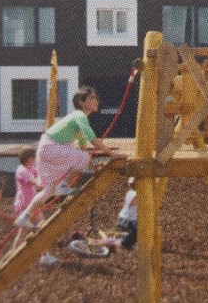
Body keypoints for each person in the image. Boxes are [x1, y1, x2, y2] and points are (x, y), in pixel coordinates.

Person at [14, 86, 121, 234]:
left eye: (96, 98)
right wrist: (111, 154)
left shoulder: (79, 119)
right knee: (81, 159)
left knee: (49, 190)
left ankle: (24, 216)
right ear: (81, 102)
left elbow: (83, 147)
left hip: (44, 150)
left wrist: (92, 166)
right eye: (91, 98)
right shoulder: (80, 116)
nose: (96, 100)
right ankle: (63, 185)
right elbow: (92, 140)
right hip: (50, 147)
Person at [12, 147, 59, 267]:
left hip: (31, 205)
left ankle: (43, 256)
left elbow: (41, 173)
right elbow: (37, 183)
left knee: (37, 229)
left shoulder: (30, 168)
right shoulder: (22, 171)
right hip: (25, 206)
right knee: (30, 231)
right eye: (35, 158)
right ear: (30, 159)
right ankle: (15, 258)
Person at [117, 178, 139, 251]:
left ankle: (128, 243)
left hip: (124, 218)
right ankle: (124, 244)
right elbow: (134, 202)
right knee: (138, 231)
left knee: (141, 228)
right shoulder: (135, 193)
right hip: (126, 220)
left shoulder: (130, 192)